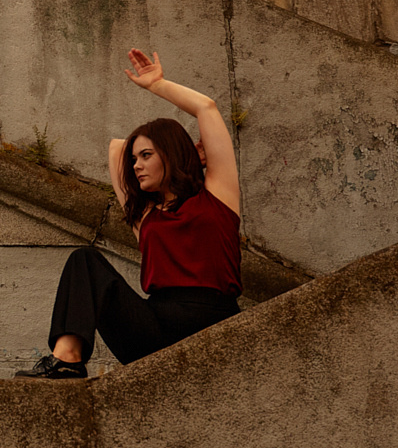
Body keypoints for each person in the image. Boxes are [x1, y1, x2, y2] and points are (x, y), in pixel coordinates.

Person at [16, 47, 242, 380]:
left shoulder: (217, 196)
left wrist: (157, 85)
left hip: (212, 318)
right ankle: (67, 359)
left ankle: (67, 359)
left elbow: (205, 107)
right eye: (135, 158)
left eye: (146, 155)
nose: (135, 165)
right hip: (154, 328)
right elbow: (116, 148)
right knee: (85, 261)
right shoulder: (146, 216)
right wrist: (146, 148)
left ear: (173, 154)